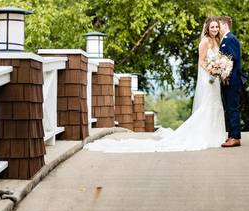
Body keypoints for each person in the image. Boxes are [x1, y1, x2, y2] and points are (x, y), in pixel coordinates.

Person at [84, 16, 227, 153]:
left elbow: (217, 59)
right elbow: (201, 61)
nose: (214, 29)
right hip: (207, 78)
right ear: (207, 28)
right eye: (212, 27)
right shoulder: (205, 42)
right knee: (207, 106)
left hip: (215, 79)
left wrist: (220, 68)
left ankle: (214, 135)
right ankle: (203, 136)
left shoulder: (216, 41)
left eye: (216, 27)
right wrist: (211, 70)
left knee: (215, 104)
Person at [217, 16, 243, 148]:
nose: (218, 28)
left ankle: (235, 137)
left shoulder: (230, 39)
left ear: (225, 25)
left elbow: (231, 60)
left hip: (232, 80)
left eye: (219, 25)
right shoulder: (225, 40)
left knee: (233, 108)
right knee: (229, 108)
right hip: (227, 80)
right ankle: (231, 135)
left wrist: (226, 75)